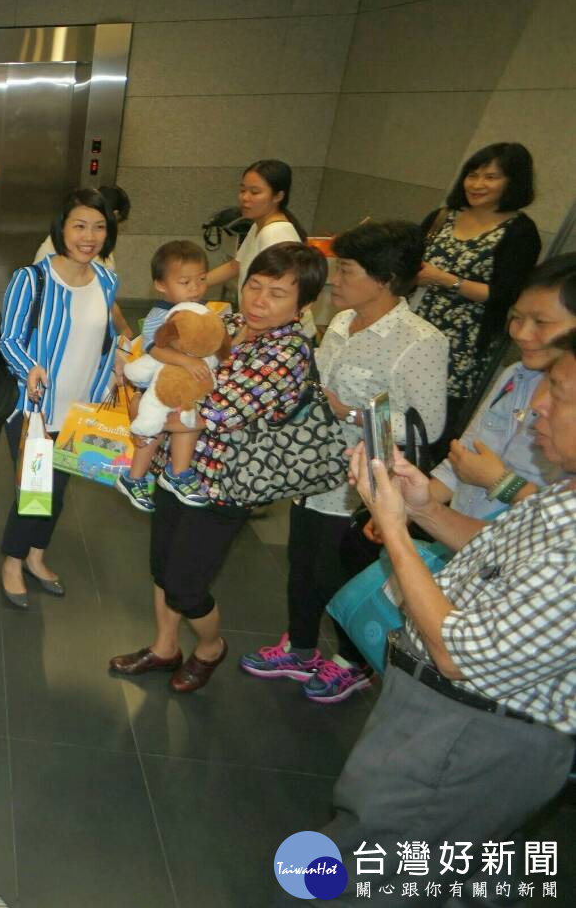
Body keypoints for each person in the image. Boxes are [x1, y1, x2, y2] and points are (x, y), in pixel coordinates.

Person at [265, 329, 576, 908]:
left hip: (467, 736)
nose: (538, 405)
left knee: (354, 888)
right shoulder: (564, 496)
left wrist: (397, 533)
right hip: (477, 735)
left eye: (559, 393)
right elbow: (503, 553)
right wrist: (426, 509)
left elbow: (464, 655)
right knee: (467, 885)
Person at [238, 221, 448, 704]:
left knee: (342, 572)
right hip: (310, 468)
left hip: (361, 482)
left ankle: (352, 663)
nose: (334, 279)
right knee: (302, 561)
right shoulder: (339, 322)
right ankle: (302, 646)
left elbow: (427, 426)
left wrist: (350, 412)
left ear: (385, 278)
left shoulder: (420, 341)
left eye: (346, 270)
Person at [107, 243, 329, 693]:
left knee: (186, 585)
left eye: (278, 294)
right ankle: (165, 646)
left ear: (303, 306)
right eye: (255, 286)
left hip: (225, 484)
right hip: (176, 468)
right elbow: (165, 343)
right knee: (161, 565)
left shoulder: (287, 352)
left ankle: (209, 648)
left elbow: (214, 411)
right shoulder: (223, 321)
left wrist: (145, 409)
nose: (259, 301)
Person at [0, 187, 121, 610]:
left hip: (81, 411)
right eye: (80, 225)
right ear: (61, 229)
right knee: (34, 490)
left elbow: (105, 337)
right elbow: (10, 339)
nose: (89, 236)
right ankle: (12, 562)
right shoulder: (32, 278)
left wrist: (117, 363)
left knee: (59, 491)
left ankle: (36, 556)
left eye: (99, 227)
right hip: (36, 409)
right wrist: (28, 366)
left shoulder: (106, 279)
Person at [426, 253, 576, 521]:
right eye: (517, 318)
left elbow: (565, 524)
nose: (520, 333)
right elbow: (466, 455)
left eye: (541, 323)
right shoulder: (515, 376)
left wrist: (503, 483)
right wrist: (414, 506)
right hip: (459, 534)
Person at [415, 142, 541, 442]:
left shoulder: (519, 232)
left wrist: (446, 280)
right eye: (473, 175)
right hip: (417, 326)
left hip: (464, 345)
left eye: (490, 177)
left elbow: (507, 294)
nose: (477, 184)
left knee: (435, 422)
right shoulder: (441, 217)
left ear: (513, 182)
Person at [114, 239, 212, 512]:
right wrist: (186, 360)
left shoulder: (202, 312)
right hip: (155, 389)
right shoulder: (161, 314)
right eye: (185, 281)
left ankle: (177, 472)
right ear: (161, 284)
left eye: (201, 279)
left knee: (188, 425)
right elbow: (154, 348)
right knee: (150, 430)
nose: (195, 288)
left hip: (182, 389)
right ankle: (133, 477)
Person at [34, 184, 137, 340]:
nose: (89, 235)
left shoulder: (64, 237)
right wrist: (124, 329)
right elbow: (103, 298)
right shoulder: (88, 248)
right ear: (114, 215)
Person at [200, 160, 306, 301]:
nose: (244, 197)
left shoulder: (276, 234)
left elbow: (279, 294)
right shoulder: (258, 225)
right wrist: (196, 284)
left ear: (278, 196)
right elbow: (235, 266)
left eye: (254, 192)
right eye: (243, 190)